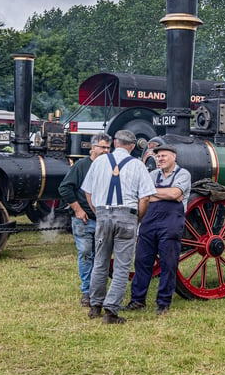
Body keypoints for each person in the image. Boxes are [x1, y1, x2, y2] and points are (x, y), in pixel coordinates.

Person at [81, 129, 156, 324]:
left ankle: (95, 305)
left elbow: (88, 193)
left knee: (100, 261)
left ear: (115, 143)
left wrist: (98, 212)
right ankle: (111, 311)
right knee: (122, 266)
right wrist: (137, 218)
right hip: (127, 215)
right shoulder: (138, 165)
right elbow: (146, 197)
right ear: (132, 147)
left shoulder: (98, 162)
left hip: (103, 214)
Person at [124, 144, 191, 315]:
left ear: (174, 156)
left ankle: (163, 303)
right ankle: (137, 300)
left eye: (164, 156)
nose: (160, 159)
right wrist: (163, 193)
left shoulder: (183, 174)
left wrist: (153, 193)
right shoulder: (153, 174)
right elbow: (143, 195)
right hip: (148, 224)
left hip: (170, 225)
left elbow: (175, 194)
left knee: (168, 264)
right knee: (141, 261)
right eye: (158, 156)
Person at [57, 133, 112, 307]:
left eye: (108, 148)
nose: (106, 151)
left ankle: (98, 291)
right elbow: (65, 188)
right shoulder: (81, 166)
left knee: (101, 257)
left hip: (103, 219)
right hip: (85, 219)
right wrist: (78, 209)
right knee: (87, 254)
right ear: (92, 147)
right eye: (103, 147)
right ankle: (87, 292)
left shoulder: (110, 166)